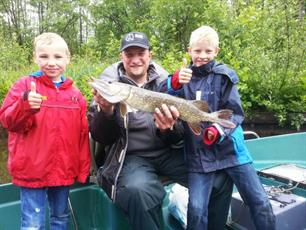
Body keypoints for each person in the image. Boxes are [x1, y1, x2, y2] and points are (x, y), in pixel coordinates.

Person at [89, 31, 233, 230]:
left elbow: (181, 134)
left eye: (141, 53)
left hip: (168, 152)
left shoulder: (167, 82)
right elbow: (100, 136)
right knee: (138, 191)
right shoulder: (110, 84)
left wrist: (167, 129)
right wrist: (105, 112)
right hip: (131, 156)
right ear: (121, 57)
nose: (135, 59)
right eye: (129, 54)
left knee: (221, 178)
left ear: (150, 55)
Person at [166, 25, 276, 230]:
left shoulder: (225, 75)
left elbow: (235, 113)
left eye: (208, 51)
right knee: (197, 210)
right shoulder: (182, 78)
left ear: (216, 51)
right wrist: (174, 83)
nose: (202, 56)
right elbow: (162, 95)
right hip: (199, 155)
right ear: (189, 50)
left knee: (260, 202)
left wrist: (218, 130)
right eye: (197, 51)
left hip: (232, 151)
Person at [0, 32, 91, 229]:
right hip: (32, 169)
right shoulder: (24, 85)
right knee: (33, 224)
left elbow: (82, 136)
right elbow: (8, 122)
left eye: (57, 57)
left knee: (60, 218)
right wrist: (24, 105)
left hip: (63, 170)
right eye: (44, 56)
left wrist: (83, 170)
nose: (51, 62)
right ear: (35, 57)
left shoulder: (76, 95)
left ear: (67, 58)